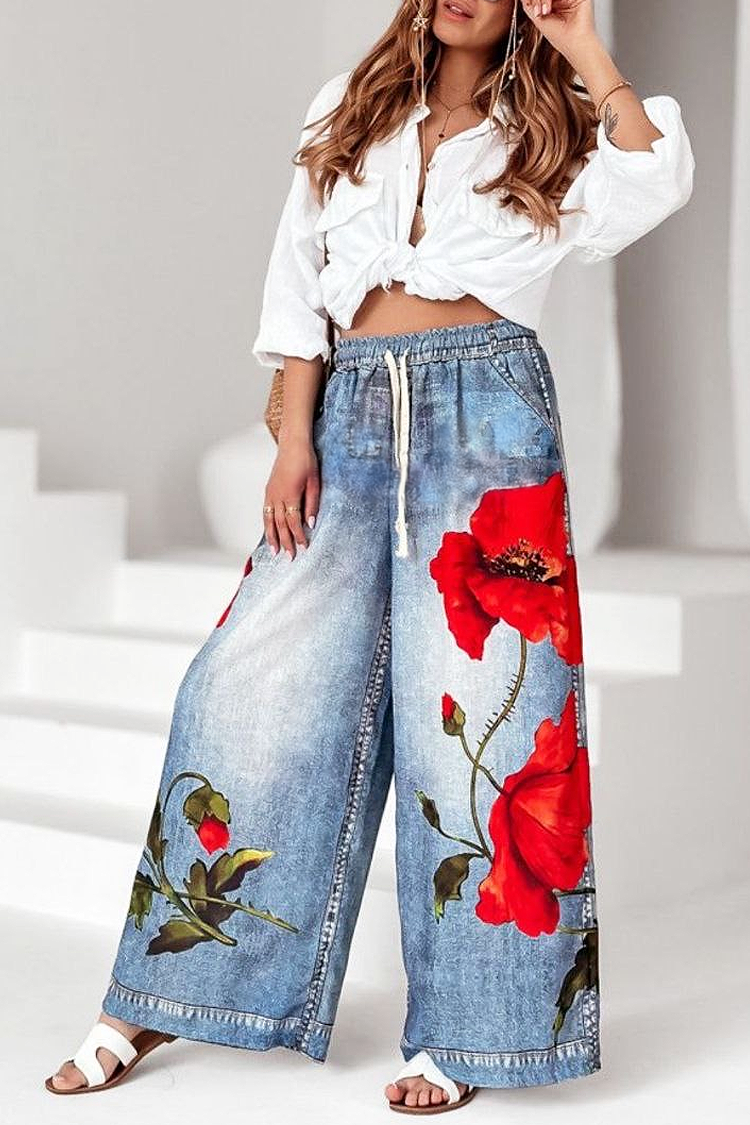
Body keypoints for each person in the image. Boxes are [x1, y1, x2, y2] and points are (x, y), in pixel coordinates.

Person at [46, 0, 694, 1114]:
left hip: (488, 420)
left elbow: (656, 179)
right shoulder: (348, 109)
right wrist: (293, 438)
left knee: (485, 724)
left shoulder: (552, 123)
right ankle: (172, 990)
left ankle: (471, 1032)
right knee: (247, 689)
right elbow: (297, 282)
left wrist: (584, 45)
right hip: (345, 417)